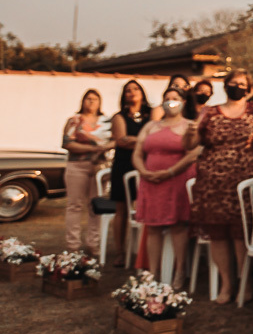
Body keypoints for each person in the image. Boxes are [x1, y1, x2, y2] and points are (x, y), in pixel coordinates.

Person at [185, 70, 253, 303]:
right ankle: (226, 283)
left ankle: (245, 282)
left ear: (249, 88)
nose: (237, 86)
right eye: (233, 83)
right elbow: (190, 144)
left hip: (244, 183)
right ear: (225, 85)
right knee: (218, 234)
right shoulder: (209, 112)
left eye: (241, 83)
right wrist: (190, 132)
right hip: (213, 183)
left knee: (241, 234)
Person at [132, 86, 202, 285]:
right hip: (151, 182)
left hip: (176, 181)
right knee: (152, 228)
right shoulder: (151, 126)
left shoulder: (189, 126)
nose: (170, 101)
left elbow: (193, 154)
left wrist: (170, 172)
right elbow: (137, 153)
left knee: (178, 227)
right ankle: (153, 273)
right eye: (167, 98)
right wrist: (143, 171)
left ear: (183, 102)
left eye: (175, 98)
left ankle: (179, 271)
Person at [109, 79, 157, 266]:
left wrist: (134, 139)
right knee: (121, 209)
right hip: (124, 165)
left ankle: (143, 252)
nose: (132, 92)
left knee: (146, 206)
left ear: (142, 93)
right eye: (128, 90)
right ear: (124, 96)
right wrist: (146, 140)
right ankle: (120, 252)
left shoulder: (151, 114)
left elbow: (153, 136)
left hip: (147, 163)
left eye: (136, 89)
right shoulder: (118, 117)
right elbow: (121, 140)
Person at [61, 89, 113, 255]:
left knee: (96, 206)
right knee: (74, 205)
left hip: (99, 168)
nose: (91, 102)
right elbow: (67, 143)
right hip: (77, 166)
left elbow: (116, 140)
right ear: (82, 101)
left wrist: (106, 148)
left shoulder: (107, 121)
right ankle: (73, 245)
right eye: (88, 99)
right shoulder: (74, 120)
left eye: (94, 99)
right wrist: (94, 148)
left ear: (100, 102)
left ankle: (93, 243)